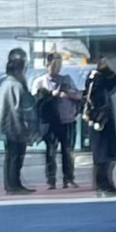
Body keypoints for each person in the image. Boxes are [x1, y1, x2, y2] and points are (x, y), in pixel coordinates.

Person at [82, 51, 116, 194]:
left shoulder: (111, 78)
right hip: (99, 120)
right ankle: (101, 185)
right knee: (101, 156)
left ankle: (107, 183)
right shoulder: (96, 77)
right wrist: (97, 114)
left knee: (110, 155)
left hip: (110, 120)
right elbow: (92, 97)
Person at [34, 51, 80, 190]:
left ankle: (69, 178)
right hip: (50, 121)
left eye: (59, 65)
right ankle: (51, 180)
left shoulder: (66, 79)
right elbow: (36, 101)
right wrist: (50, 95)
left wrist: (68, 93)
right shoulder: (39, 82)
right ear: (47, 64)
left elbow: (78, 95)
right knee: (51, 151)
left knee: (68, 151)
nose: (57, 69)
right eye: (54, 65)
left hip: (67, 120)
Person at [0, 47, 36, 193]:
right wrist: (29, 127)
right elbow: (25, 108)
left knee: (10, 156)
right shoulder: (17, 86)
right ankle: (15, 185)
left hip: (6, 126)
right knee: (16, 157)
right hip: (17, 126)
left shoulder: (4, 84)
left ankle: (9, 184)